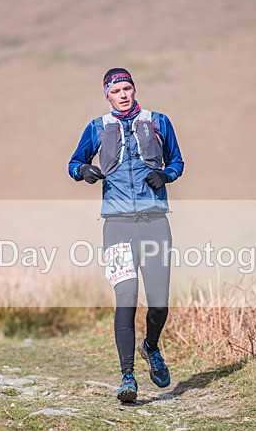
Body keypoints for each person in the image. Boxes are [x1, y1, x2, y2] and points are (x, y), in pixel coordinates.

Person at [68, 68, 185, 403]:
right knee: (126, 300)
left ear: (135, 89)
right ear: (107, 95)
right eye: (116, 90)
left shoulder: (159, 121)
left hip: (155, 223)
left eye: (127, 88)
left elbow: (177, 161)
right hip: (117, 225)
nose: (122, 94)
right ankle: (127, 377)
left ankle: (151, 347)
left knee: (159, 302)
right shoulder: (96, 128)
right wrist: (84, 171)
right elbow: (74, 163)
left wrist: (166, 175)